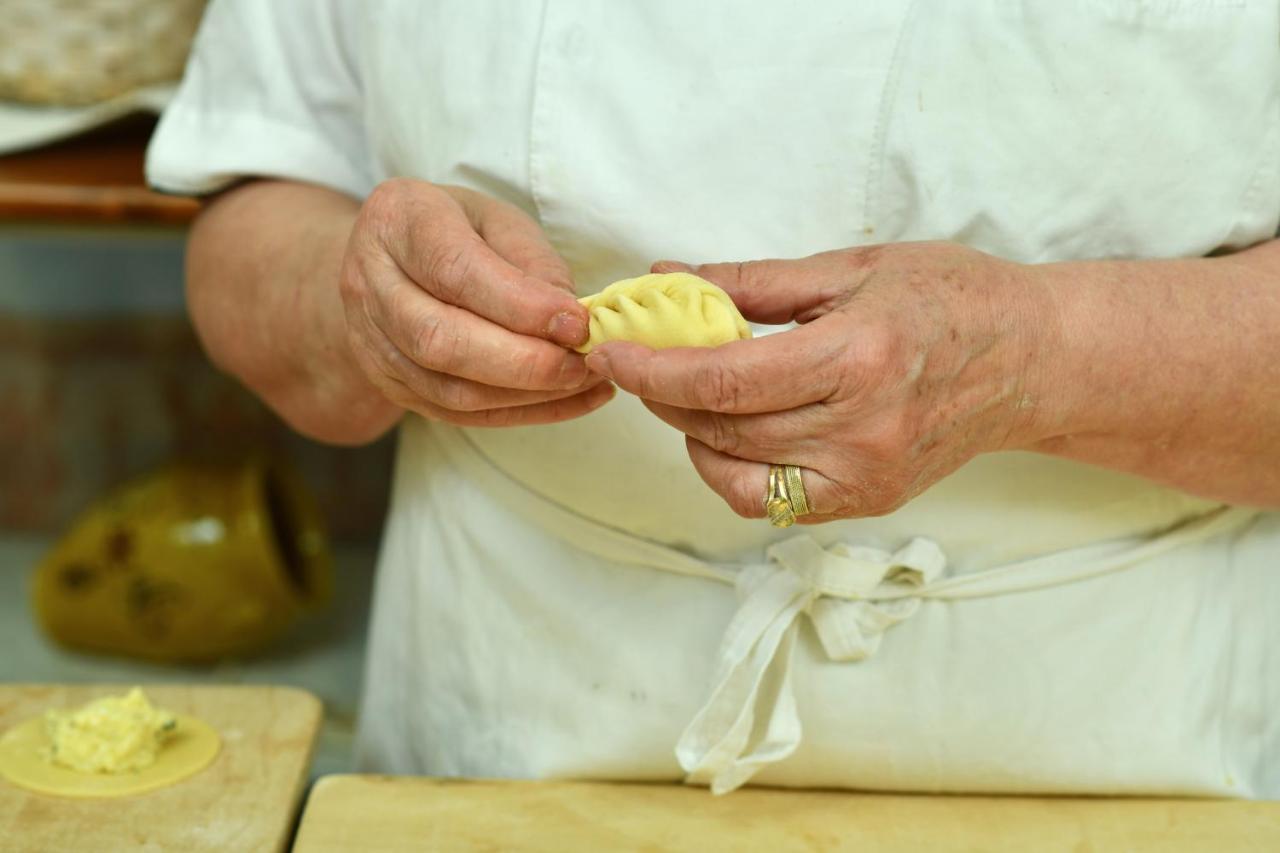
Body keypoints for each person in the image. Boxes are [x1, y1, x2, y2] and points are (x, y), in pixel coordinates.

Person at [147, 0, 1280, 796]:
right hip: (507, 735)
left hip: (1137, 747)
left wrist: (1038, 355)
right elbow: (255, 206)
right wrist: (358, 307)